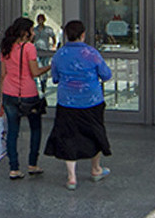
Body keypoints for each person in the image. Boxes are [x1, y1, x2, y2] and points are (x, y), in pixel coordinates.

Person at [44, 20, 113, 191]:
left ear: (66, 35)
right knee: (95, 132)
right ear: (83, 34)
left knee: (68, 136)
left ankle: (71, 177)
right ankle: (96, 169)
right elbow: (106, 74)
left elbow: (55, 78)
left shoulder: (59, 54)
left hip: (67, 102)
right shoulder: (91, 53)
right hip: (91, 101)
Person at [0, 17, 50, 179]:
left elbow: (3, 75)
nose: (33, 33)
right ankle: (32, 164)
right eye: (32, 30)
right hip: (28, 94)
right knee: (35, 128)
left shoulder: (6, 48)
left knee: (13, 131)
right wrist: (49, 66)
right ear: (25, 32)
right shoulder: (29, 48)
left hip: (9, 93)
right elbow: (34, 72)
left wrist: (1, 100)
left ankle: (14, 168)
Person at [32, 13, 57, 92]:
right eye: (39, 20)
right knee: (39, 66)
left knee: (45, 65)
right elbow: (32, 39)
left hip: (45, 50)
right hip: (37, 50)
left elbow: (53, 38)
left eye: (41, 19)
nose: (40, 21)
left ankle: (44, 81)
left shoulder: (48, 29)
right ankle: (40, 80)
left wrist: (53, 46)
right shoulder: (34, 30)